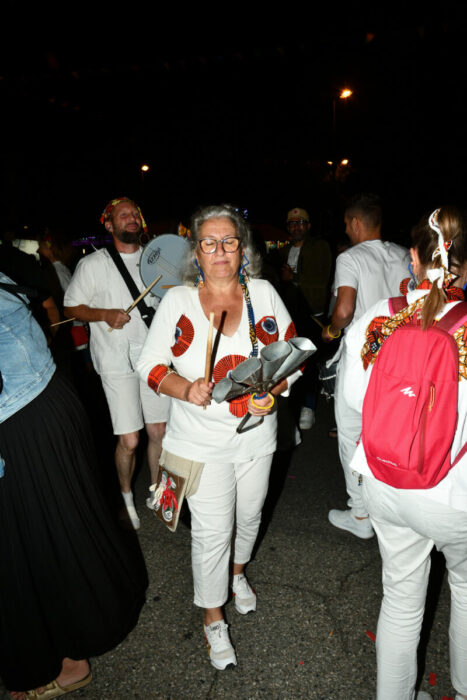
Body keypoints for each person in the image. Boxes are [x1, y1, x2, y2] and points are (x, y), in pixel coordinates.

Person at [137, 204, 301, 670]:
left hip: (255, 437)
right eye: (209, 243)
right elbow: (147, 364)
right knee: (212, 532)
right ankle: (213, 617)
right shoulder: (178, 302)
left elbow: (289, 357)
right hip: (200, 444)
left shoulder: (264, 295)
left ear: (243, 248)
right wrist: (185, 388)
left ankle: (237, 574)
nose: (220, 251)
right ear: (197, 252)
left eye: (229, 241)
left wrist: (274, 392)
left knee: (249, 517)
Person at [339, 206, 467, 700]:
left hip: (385, 482)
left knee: (400, 599)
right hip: (452, 494)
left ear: (413, 257)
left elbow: (354, 401)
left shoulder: (380, 317)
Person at [0, 272, 147, 699]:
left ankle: (70, 657)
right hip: (45, 403)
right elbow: (53, 310)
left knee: (35, 540)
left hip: (22, 419)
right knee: (59, 525)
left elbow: (50, 307)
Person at [64, 198, 170, 529]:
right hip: (115, 357)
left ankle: (157, 491)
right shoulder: (94, 264)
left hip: (154, 355)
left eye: (135, 213)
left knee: (159, 430)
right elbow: (71, 307)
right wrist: (104, 314)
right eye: (123, 215)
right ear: (109, 225)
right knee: (130, 440)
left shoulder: (158, 259)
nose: (132, 218)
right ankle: (125, 497)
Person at [322, 193, 410, 539]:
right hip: (401, 358)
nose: (347, 229)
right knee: (390, 436)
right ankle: (392, 507)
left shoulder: (351, 257)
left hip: (363, 359)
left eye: (346, 224)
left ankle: (360, 515)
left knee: (351, 436)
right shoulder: (404, 254)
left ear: (356, 223)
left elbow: (344, 310)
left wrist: (330, 330)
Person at [279, 207, 332, 429]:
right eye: (292, 223)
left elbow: (323, 278)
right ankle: (292, 404)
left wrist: (294, 278)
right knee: (289, 362)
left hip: (312, 313)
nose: (296, 227)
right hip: (289, 313)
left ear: (308, 226)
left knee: (308, 362)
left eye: (301, 223)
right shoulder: (284, 250)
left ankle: (308, 407)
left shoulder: (319, 247)